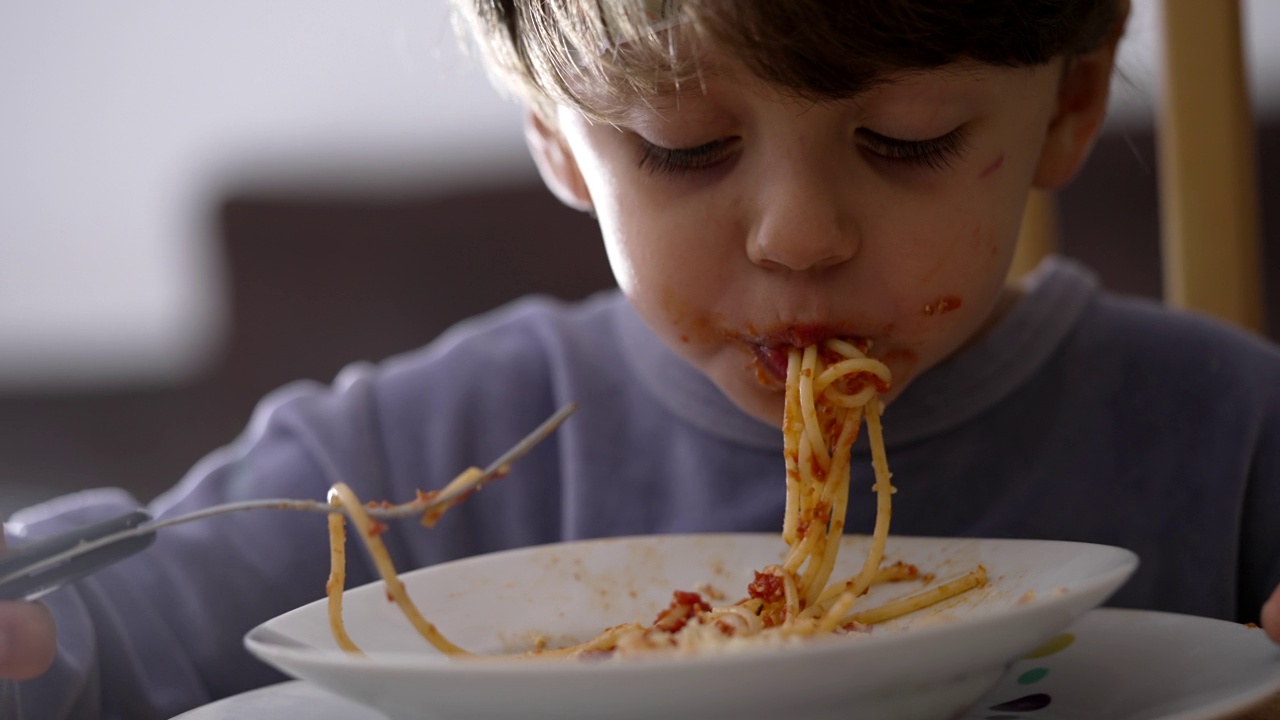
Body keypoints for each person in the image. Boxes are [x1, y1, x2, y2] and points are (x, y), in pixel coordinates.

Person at [4, 0, 1280, 716]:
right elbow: (118, 634)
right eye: (680, 149)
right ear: (556, 139)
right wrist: (36, 630)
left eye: (904, 139)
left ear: (1067, 101)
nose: (797, 237)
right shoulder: (423, 456)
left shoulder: (1225, 436)